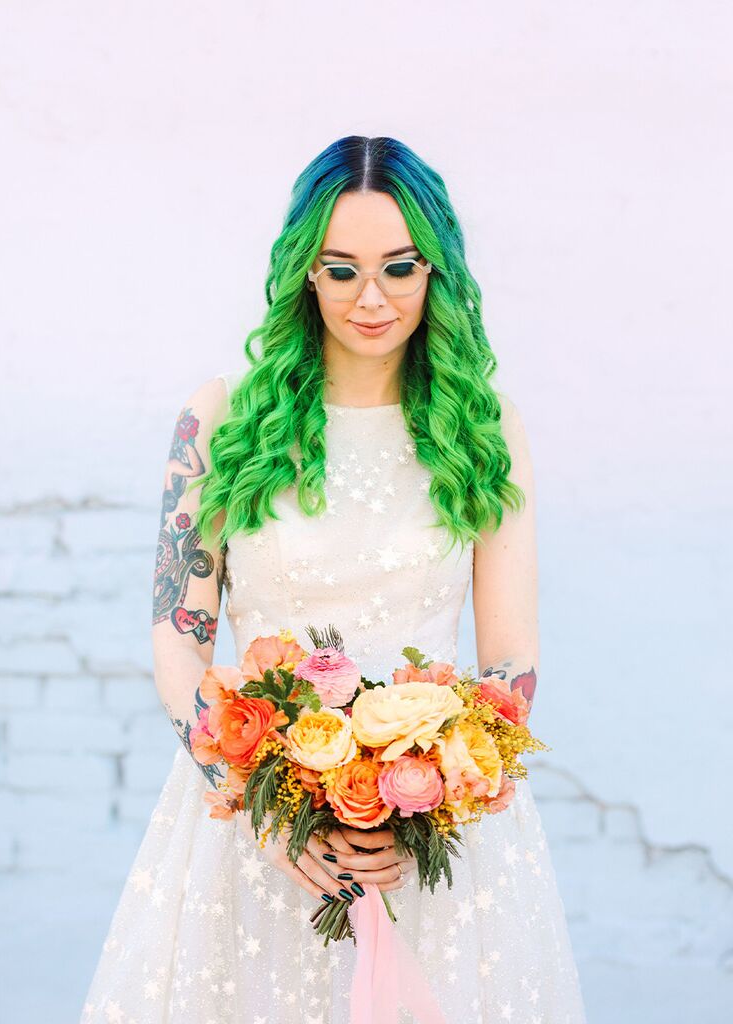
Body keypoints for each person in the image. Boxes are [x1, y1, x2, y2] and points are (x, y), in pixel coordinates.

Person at [79, 135, 587, 1024]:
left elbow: (510, 660)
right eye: (340, 269)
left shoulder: (485, 428)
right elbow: (179, 642)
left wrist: (423, 805)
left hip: (434, 844)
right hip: (256, 832)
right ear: (303, 275)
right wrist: (269, 813)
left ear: (437, 268)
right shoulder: (222, 418)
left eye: (399, 266)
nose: (373, 298)